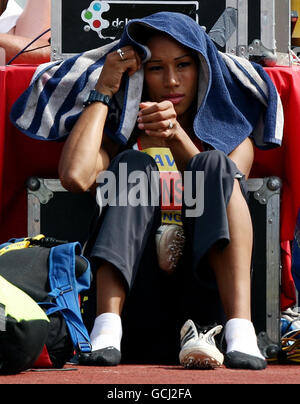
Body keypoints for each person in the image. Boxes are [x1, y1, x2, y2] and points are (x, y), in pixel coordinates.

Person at [56, 11, 283, 370]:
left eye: (183, 65)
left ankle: (242, 330)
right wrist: (103, 90)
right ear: (141, 74)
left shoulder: (232, 137)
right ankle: (105, 328)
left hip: (208, 317)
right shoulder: (122, 135)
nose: (172, 81)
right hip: (135, 307)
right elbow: (74, 176)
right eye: (157, 68)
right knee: (134, 165)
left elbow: (223, 190)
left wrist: (177, 137)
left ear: (203, 69)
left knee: (214, 166)